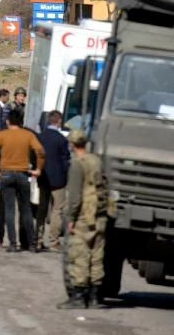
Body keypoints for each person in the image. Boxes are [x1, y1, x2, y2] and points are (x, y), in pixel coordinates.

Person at [57, 129, 109, 309]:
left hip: (83, 216)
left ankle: (78, 297)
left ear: (72, 144)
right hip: (99, 214)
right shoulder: (96, 160)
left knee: (79, 254)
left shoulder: (77, 164)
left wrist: (71, 218)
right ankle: (94, 297)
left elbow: (75, 196)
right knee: (96, 256)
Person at [0, 109, 46, 252]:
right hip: (23, 174)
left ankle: (13, 243)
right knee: (26, 210)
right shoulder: (28, 135)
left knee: (9, 210)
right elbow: (41, 151)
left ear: (8, 121)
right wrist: (38, 169)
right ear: (21, 122)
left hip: (6, 174)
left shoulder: (2, 135)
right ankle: (31, 243)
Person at [36, 110, 70, 252]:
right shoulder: (62, 139)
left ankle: (38, 240)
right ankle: (53, 242)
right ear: (59, 121)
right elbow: (66, 161)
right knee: (57, 210)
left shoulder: (40, 137)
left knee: (42, 209)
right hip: (58, 180)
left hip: (43, 177)